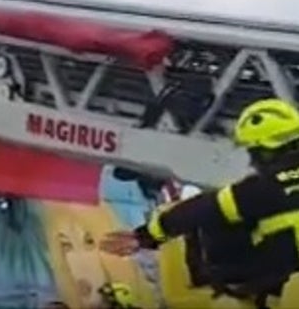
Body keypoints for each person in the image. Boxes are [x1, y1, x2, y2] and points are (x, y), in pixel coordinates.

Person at [101, 98, 299, 309]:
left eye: (253, 153)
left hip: (279, 290)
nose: (252, 162)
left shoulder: (260, 189)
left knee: (219, 219)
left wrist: (146, 236)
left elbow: (202, 210)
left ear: (266, 150)